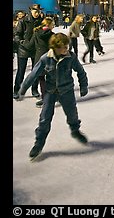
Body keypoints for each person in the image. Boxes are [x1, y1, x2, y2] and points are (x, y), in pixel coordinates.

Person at [16, 32, 88, 161]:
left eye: (67, 46)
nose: (66, 49)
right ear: (55, 48)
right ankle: (39, 143)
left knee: (72, 113)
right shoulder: (45, 58)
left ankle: (75, 130)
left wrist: (84, 86)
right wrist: (23, 89)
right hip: (50, 91)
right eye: (63, 47)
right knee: (45, 118)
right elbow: (33, 75)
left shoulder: (71, 57)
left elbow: (81, 72)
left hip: (66, 91)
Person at [13, 4, 44, 100]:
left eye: (38, 11)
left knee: (35, 72)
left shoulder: (41, 21)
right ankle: (16, 90)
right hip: (23, 50)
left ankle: (34, 89)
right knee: (21, 71)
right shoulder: (23, 21)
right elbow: (17, 35)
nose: (37, 13)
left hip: (36, 50)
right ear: (30, 11)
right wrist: (23, 42)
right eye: (35, 11)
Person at [31, 17, 56, 107]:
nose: (53, 25)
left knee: (42, 79)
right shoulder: (52, 35)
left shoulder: (36, 32)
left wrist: (21, 45)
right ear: (48, 25)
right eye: (52, 24)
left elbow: (30, 44)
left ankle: (45, 98)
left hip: (39, 59)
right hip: (49, 58)